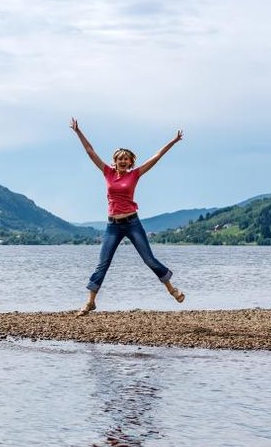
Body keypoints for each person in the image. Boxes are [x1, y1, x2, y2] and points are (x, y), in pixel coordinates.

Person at [70, 118, 185, 316]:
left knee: (149, 259)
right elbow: (90, 152)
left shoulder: (135, 175)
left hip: (132, 223)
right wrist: (78, 131)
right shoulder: (107, 172)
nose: (122, 161)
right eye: (119, 158)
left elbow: (156, 157)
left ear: (131, 161)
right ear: (114, 161)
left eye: (126, 158)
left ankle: (172, 290)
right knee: (102, 263)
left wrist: (173, 142)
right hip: (112, 225)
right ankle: (90, 303)